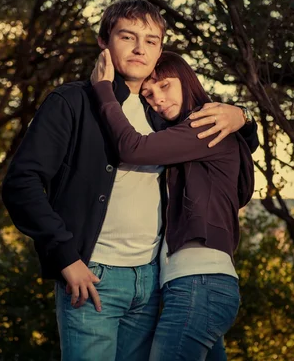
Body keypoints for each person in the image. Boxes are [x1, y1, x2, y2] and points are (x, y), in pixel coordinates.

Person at [1, 0, 257, 361]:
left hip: (155, 281)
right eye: (128, 36)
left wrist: (244, 119)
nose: (140, 48)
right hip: (92, 277)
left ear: (160, 50)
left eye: (151, 40)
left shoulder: (165, 114)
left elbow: (226, 171)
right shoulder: (72, 103)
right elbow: (21, 183)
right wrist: (65, 256)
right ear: (105, 42)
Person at [90, 49, 254, 361]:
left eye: (165, 86)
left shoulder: (204, 124)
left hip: (199, 285)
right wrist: (245, 118)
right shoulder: (185, 133)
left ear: (186, 79)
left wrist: (103, 90)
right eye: (149, 94)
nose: (158, 100)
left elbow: (132, 148)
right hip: (197, 286)